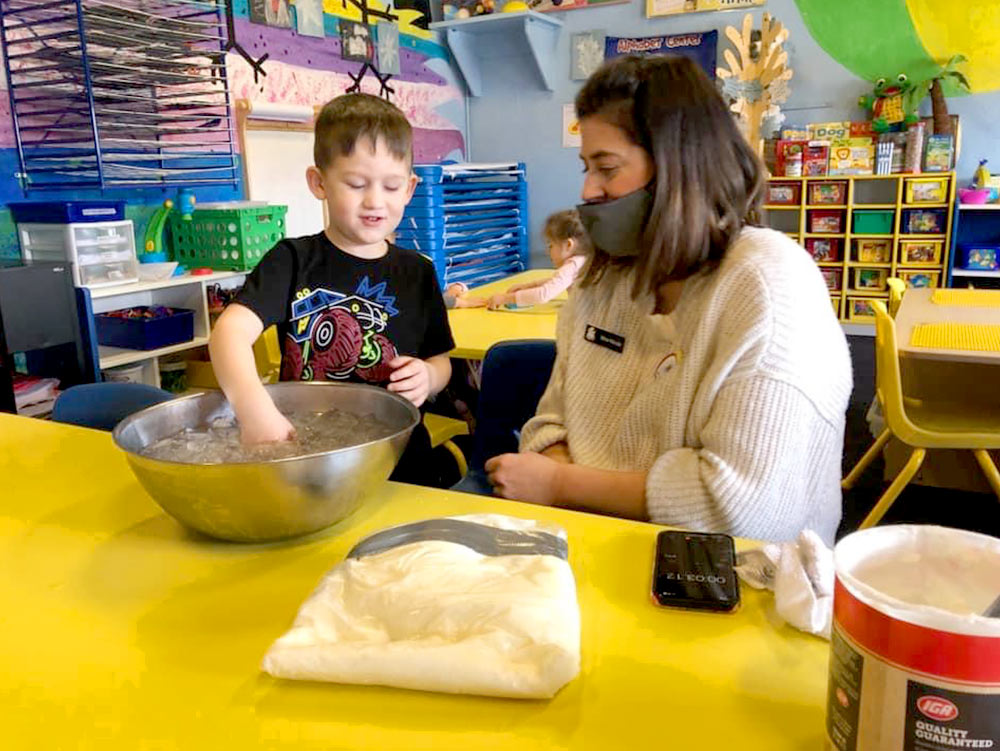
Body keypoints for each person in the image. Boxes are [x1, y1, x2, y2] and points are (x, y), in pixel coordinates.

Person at [485, 56, 852, 544]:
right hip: (591, 540)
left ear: (679, 166)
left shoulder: (768, 283)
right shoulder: (601, 277)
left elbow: (742, 510)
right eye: (586, 167)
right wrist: (568, 495)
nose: (588, 189)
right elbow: (551, 421)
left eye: (606, 168)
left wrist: (559, 484)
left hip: (737, 578)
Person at [209, 93, 455, 486]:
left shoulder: (418, 272)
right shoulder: (291, 260)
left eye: (391, 187)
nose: (375, 201)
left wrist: (428, 374)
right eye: (356, 184)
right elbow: (228, 335)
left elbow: (441, 362)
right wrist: (255, 411)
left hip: (398, 462)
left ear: (410, 189)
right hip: (309, 456)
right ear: (319, 182)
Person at [487, 209, 589, 310]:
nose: (547, 252)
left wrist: (505, 299)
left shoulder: (573, 265)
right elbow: (556, 281)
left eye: (551, 245)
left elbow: (543, 295)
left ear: (568, 245)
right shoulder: (583, 262)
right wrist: (528, 286)